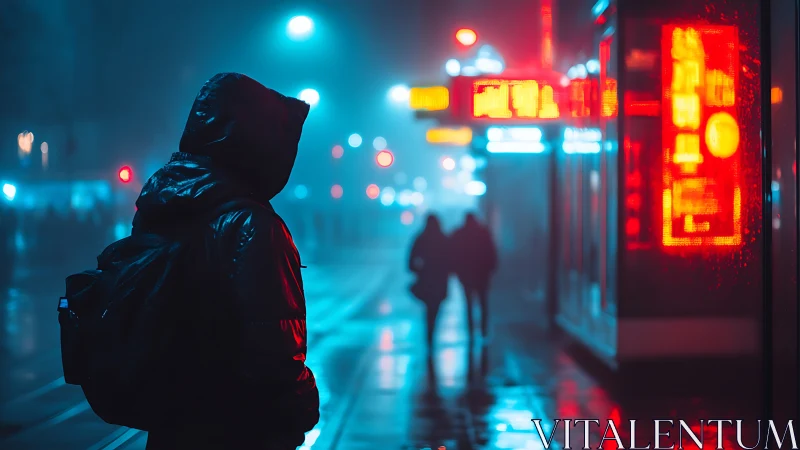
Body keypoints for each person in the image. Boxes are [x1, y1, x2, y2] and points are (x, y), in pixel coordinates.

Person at [136, 73, 319, 449]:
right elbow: (274, 348)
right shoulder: (251, 224)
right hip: (238, 426)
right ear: (258, 143)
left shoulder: (162, 202)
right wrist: (302, 408)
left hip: (173, 420)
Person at [450, 213, 497, 341]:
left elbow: (452, 253)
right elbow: (491, 252)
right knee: (483, 303)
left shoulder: (459, 234)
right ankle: (483, 330)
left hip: (466, 275)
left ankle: (470, 330)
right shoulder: (483, 233)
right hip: (482, 275)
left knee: (468, 304)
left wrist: (455, 271)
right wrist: (491, 269)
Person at [408, 215, 451, 351]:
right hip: (440, 281)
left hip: (426, 280)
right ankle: (431, 335)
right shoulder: (443, 239)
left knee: (428, 310)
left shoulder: (421, 239)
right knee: (436, 309)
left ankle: (429, 337)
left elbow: (410, 262)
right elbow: (451, 261)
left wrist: (419, 270)